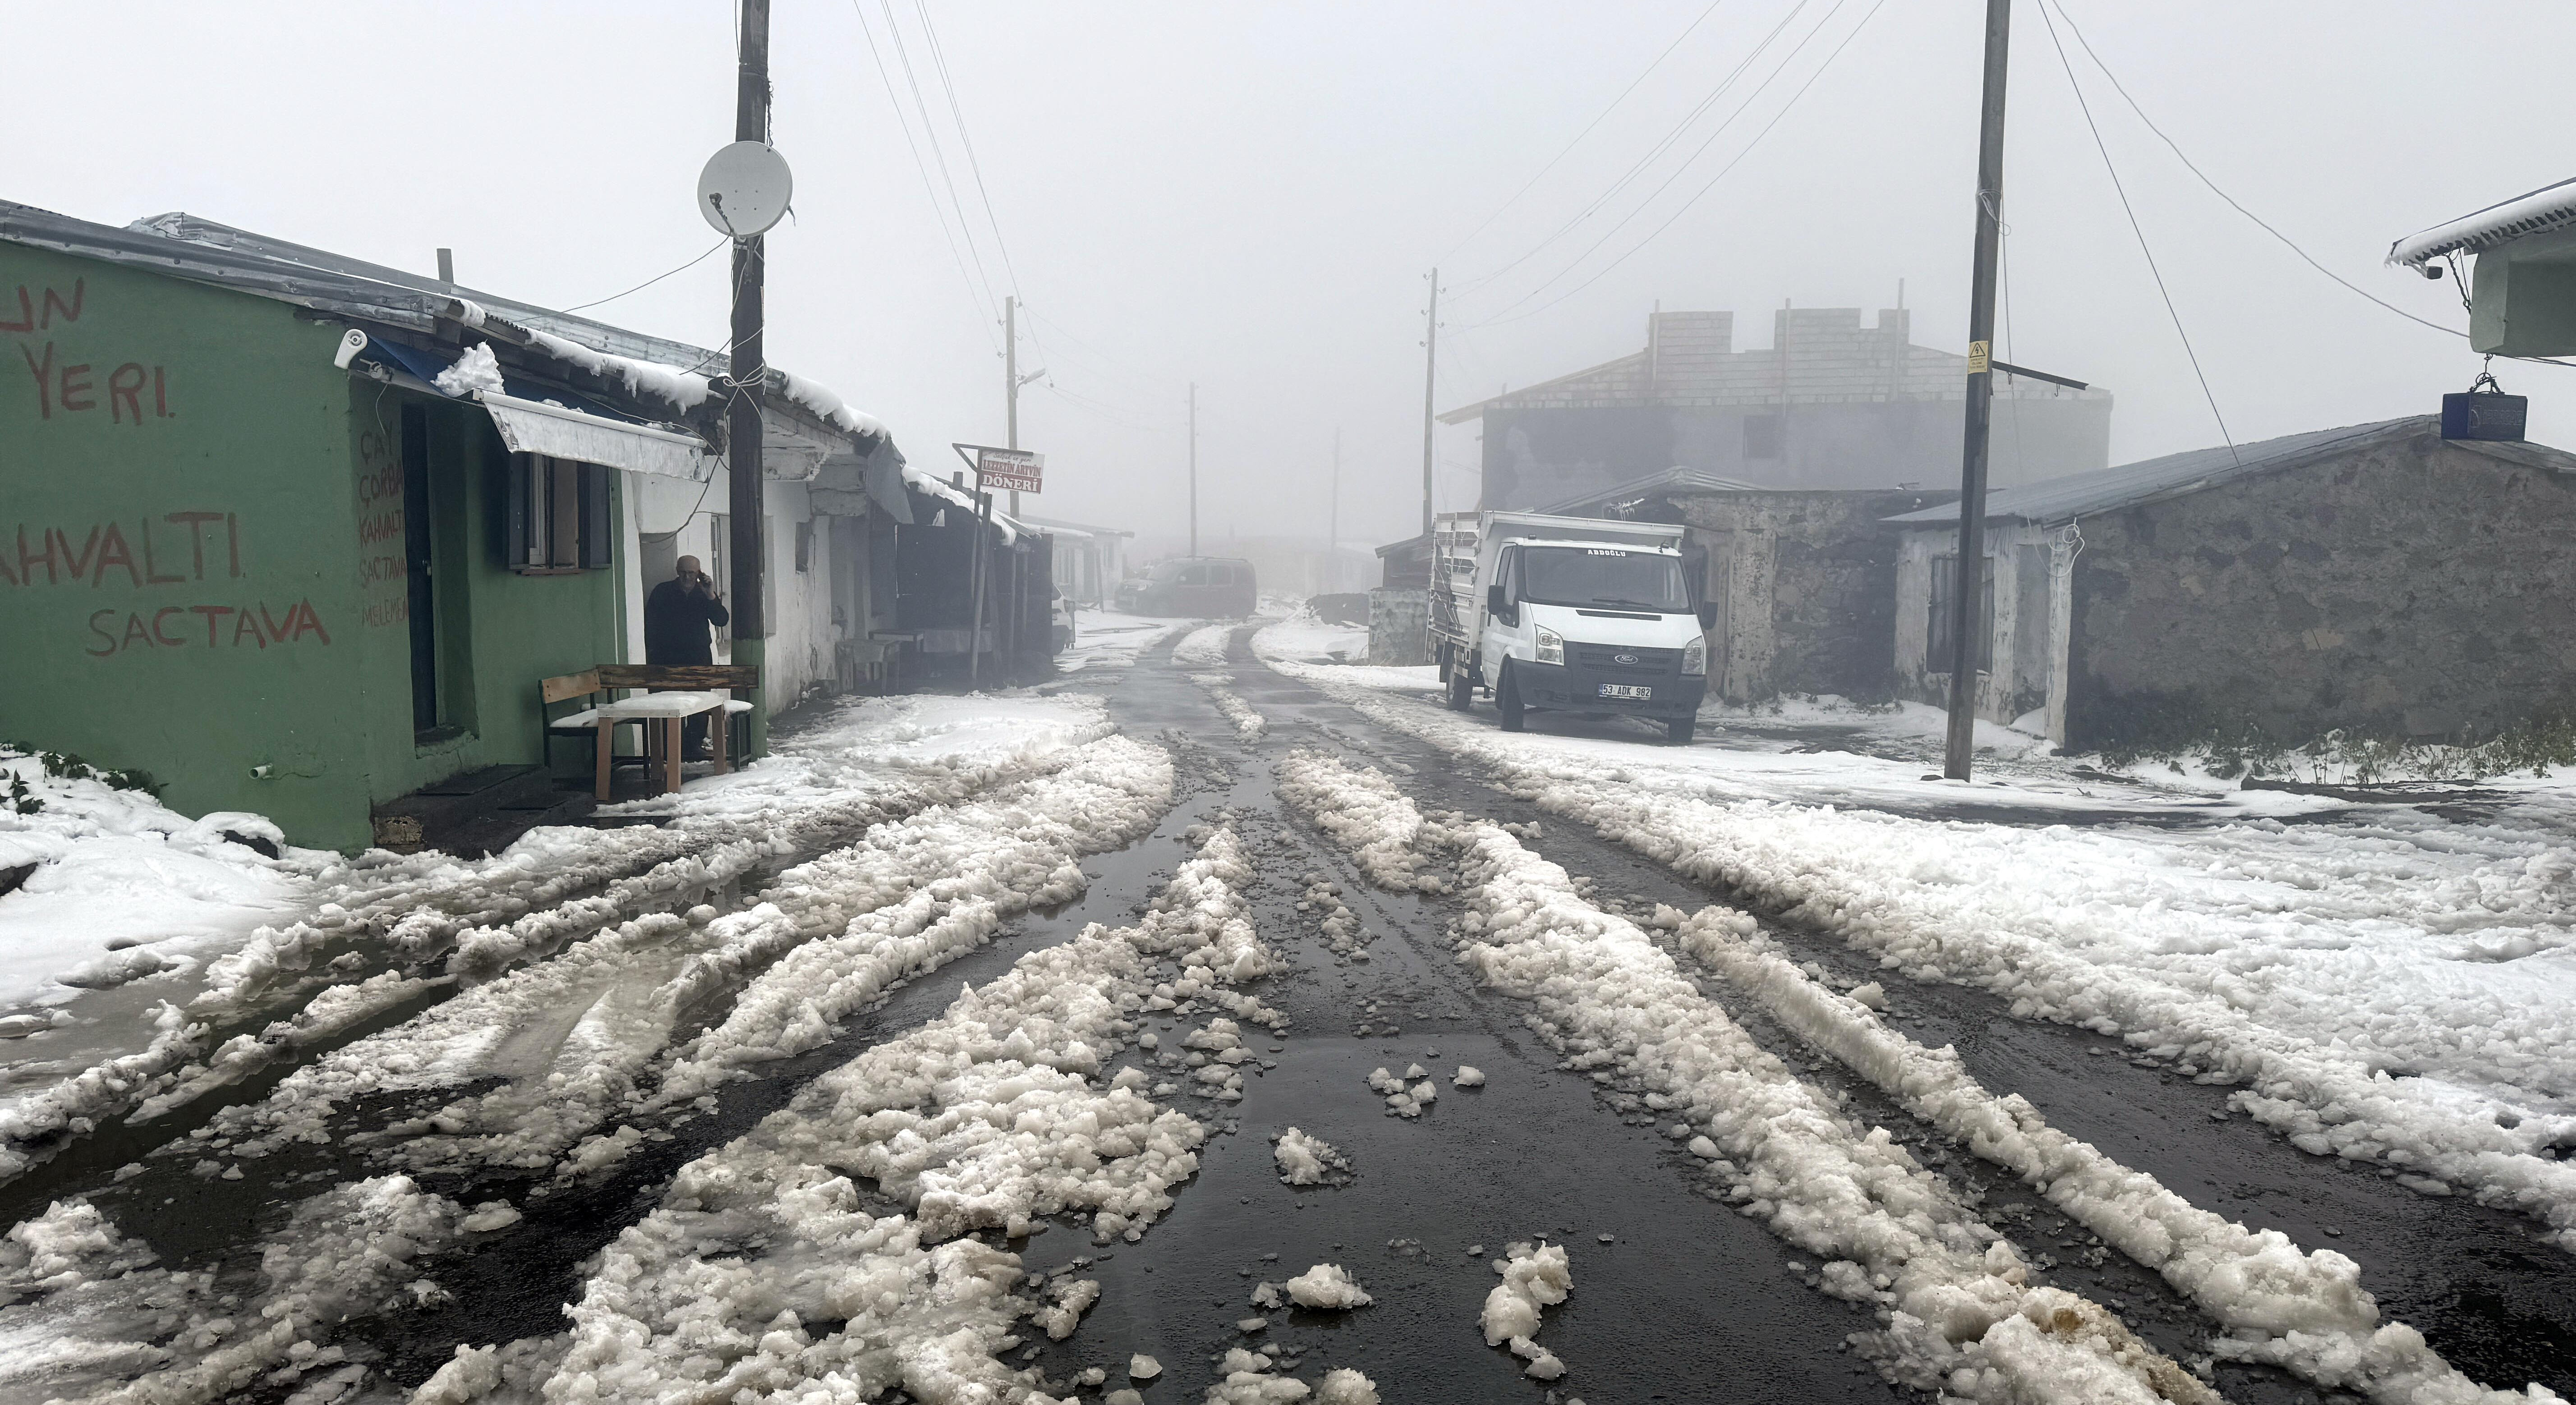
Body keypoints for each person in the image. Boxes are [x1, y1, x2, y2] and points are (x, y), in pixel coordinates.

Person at [644, 555, 731, 759]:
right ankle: (669, 750)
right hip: (666, 658)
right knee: (666, 703)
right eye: (683, 572)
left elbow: (721, 620)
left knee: (699, 702)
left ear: (699, 573)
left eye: (692, 573)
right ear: (677, 570)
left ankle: (693, 746)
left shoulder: (704, 594)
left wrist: (711, 595)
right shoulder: (663, 591)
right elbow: (651, 623)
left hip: (698, 657)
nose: (687, 577)